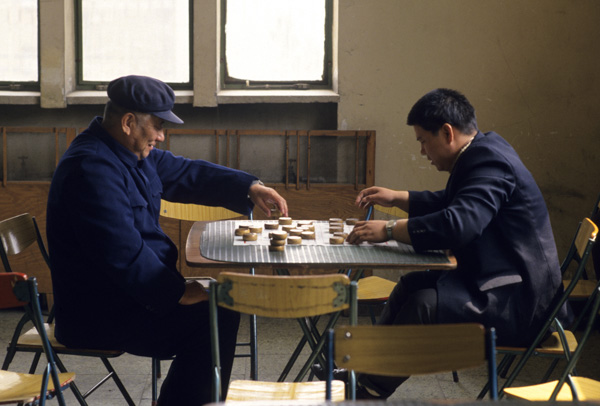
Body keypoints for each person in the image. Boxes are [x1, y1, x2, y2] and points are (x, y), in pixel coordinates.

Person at [46, 75, 288, 405]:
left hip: (126, 297)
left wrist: (249, 187)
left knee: (218, 309)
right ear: (129, 122)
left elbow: (186, 172)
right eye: (158, 125)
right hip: (100, 313)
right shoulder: (91, 168)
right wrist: (176, 293)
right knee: (215, 317)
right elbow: (121, 253)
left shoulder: (127, 152)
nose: (162, 135)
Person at [314, 88, 569, 399]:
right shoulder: (483, 150)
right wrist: (399, 198)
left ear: (447, 132)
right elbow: (454, 204)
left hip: (519, 304)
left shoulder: (489, 161)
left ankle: (369, 388)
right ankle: (363, 369)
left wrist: (390, 229)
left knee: (423, 304)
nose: (423, 151)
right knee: (411, 285)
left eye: (423, 141)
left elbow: (459, 223)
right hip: (498, 282)